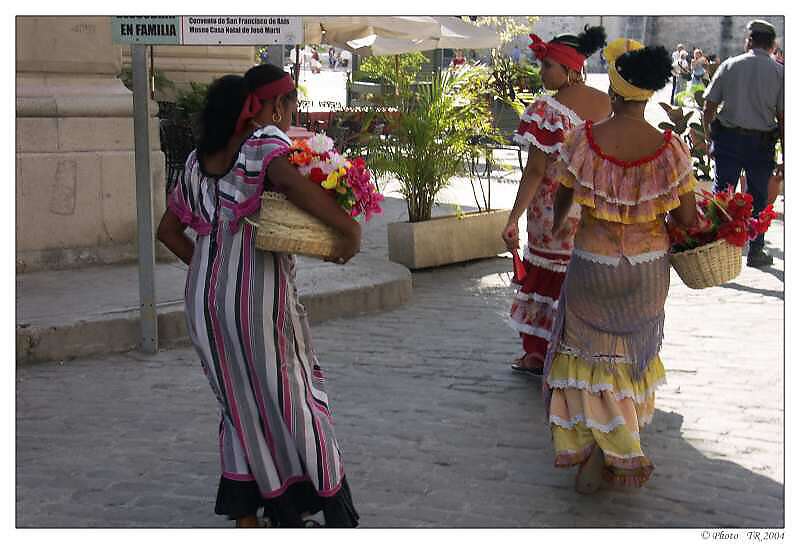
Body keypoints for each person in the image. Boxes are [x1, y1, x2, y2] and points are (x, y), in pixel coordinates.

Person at [156, 63, 361, 528]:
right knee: (293, 396)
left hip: (203, 304)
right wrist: (348, 230)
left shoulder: (195, 161)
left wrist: (213, 272)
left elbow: (168, 231)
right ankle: (331, 508)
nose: (291, 113)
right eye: (289, 104)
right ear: (270, 105)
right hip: (256, 302)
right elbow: (292, 185)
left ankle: (247, 513)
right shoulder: (263, 144)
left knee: (238, 403)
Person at [544, 38, 698, 493]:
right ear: (648, 94)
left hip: (593, 261)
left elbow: (562, 198)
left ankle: (595, 442)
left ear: (613, 93)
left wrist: (556, 229)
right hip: (648, 268)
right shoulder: (671, 149)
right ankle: (622, 441)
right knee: (627, 360)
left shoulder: (583, 142)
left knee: (585, 356)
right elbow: (687, 218)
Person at [502, 26, 611, 376]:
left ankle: (538, 353)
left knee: (546, 275)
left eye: (547, 65)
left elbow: (535, 171)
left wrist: (512, 218)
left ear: (570, 70)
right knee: (578, 276)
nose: (541, 72)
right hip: (592, 211)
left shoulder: (547, 110)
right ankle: (576, 351)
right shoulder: (606, 104)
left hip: (552, 212)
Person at [702, 19, 784, 268]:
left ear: (749, 41)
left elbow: (708, 107)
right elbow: (784, 118)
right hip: (762, 143)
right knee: (758, 195)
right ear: (772, 45)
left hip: (728, 139)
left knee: (723, 193)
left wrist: (709, 138)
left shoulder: (730, 65)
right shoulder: (780, 72)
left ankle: (717, 249)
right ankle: (756, 251)